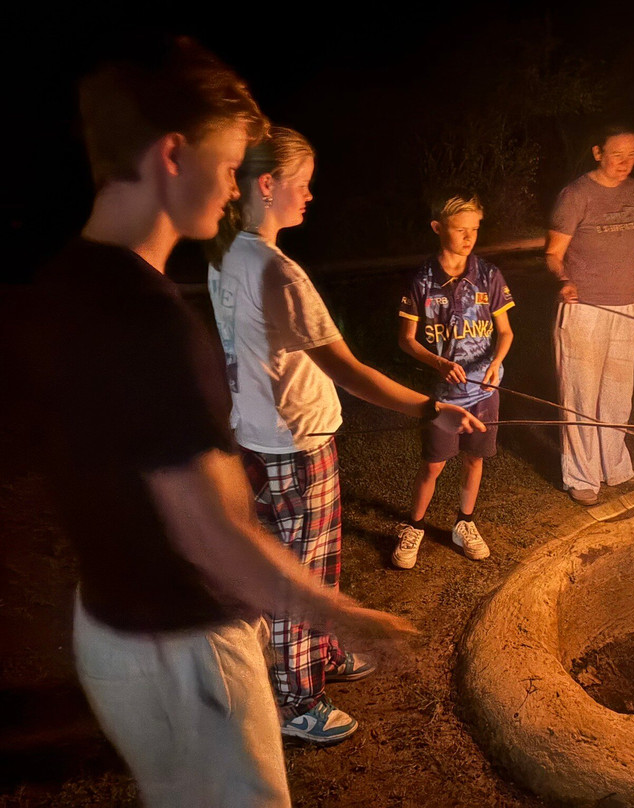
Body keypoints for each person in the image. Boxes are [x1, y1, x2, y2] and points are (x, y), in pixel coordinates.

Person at [30, 38, 422, 806]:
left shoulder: (62, 282)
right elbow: (208, 535)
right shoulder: (151, 325)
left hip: (107, 628)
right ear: (173, 155)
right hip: (188, 652)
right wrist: (342, 615)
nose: (232, 190)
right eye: (227, 164)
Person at [206, 131, 484, 743]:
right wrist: (430, 408)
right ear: (266, 185)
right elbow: (352, 372)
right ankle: (297, 702)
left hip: (259, 436)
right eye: (301, 181)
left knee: (312, 563)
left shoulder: (226, 256)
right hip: (295, 445)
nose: (310, 193)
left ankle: (321, 652)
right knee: (299, 574)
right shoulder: (277, 273)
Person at [393, 193, 515, 569]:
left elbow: (506, 333)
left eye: (474, 229)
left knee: (474, 459)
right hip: (444, 395)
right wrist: (438, 363)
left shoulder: (489, 276)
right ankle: (415, 526)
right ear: (437, 228)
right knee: (433, 463)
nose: (469, 237)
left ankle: (464, 522)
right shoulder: (423, 282)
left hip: (483, 390)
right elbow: (406, 339)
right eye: (460, 229)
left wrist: (496, 362)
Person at [545, 124, 634, 505]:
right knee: (581, 394)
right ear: (598, 152)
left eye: (631, 154)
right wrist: (564, 279)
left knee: (616, 394)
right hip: (584, 311)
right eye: (617, 155)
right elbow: (553, 253)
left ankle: (615, 468)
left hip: (625, 307)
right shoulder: (576, 195)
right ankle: (582, 477)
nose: (625, 163)